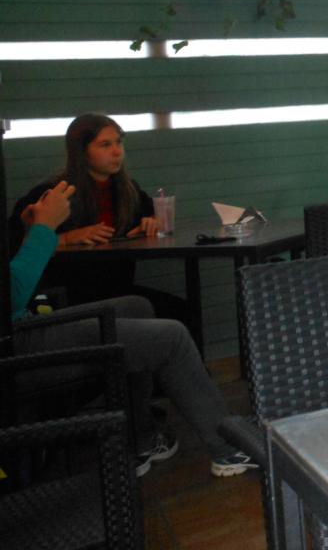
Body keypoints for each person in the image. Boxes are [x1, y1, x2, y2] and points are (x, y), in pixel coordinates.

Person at [11, 181, 257, 478]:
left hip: (22, 326)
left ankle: (141, 438)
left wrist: (34, 232)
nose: (117, 156)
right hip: (15, 346)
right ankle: (229, 448)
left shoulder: (127, 190)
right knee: (172, 337)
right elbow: (11, 296)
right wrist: (44, 229)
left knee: (138, 306)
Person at [8, 113, 186, 321]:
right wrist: (67, 238)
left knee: (180, 311)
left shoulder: (128, 190)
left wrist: (153, 222)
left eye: (119, 142)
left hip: (119, 289)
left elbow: (155, 214)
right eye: (105, 145)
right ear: (81, 152)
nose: (117, 152)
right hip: (69, 296)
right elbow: (17, 245)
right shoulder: (55, 194)